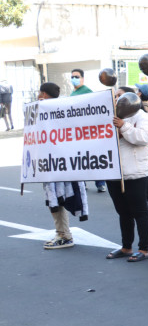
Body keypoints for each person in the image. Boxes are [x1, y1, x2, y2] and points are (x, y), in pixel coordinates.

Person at [104, 88, 148, 262]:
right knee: (123, 212)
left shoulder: (144, 118)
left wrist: (124, 127)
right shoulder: (109, 116)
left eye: (121, 96)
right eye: (116, 96)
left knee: (139, 210)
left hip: (135, 172)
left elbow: (145, 138)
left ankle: (143, 249)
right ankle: (126, 247)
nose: (118, 100)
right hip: (113, 171)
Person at [38, 82, 89, 249]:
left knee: (57, 199)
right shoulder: (51, 109)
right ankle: (61, 233)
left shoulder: (54, 110)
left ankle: (65, 235)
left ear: (44, 94)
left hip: (58, 163)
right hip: (52, 162)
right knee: (54, 200)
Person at [70, 69, 107, 193]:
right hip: (77, 131)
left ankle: (100, 183)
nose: (74, 78)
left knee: (93, 157)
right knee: (80, 158)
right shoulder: (72, 93)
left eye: (77, 76)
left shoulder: (87, 91)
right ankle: (82, 182)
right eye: (72, 76)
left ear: (82, 78)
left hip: (88, 131)